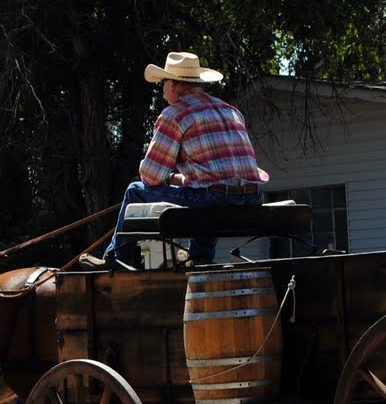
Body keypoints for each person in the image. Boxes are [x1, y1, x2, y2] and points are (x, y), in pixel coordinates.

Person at [97, 51, 268, 268]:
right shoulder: (230, 111)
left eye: (163, 83)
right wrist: (174, 178)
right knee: (202, 195)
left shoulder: (175, 114)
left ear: (171, 85)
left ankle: (114, 259)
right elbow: (213, 177)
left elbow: (150, 177)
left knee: (134, 191)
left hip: (214, 199)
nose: (162, 91)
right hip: (252, 197)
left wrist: (157, 171)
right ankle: (199, 257)